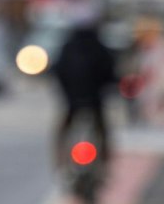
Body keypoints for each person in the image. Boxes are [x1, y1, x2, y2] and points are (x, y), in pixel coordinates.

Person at [50, 11, 118, 169]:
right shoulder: (99, 47)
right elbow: (110, 73)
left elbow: (58, 71)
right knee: (102, 130)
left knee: (63, 130)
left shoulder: (68, 47)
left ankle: (60, 161)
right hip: (95, 100)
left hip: (72, 101)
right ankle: (105, 160)